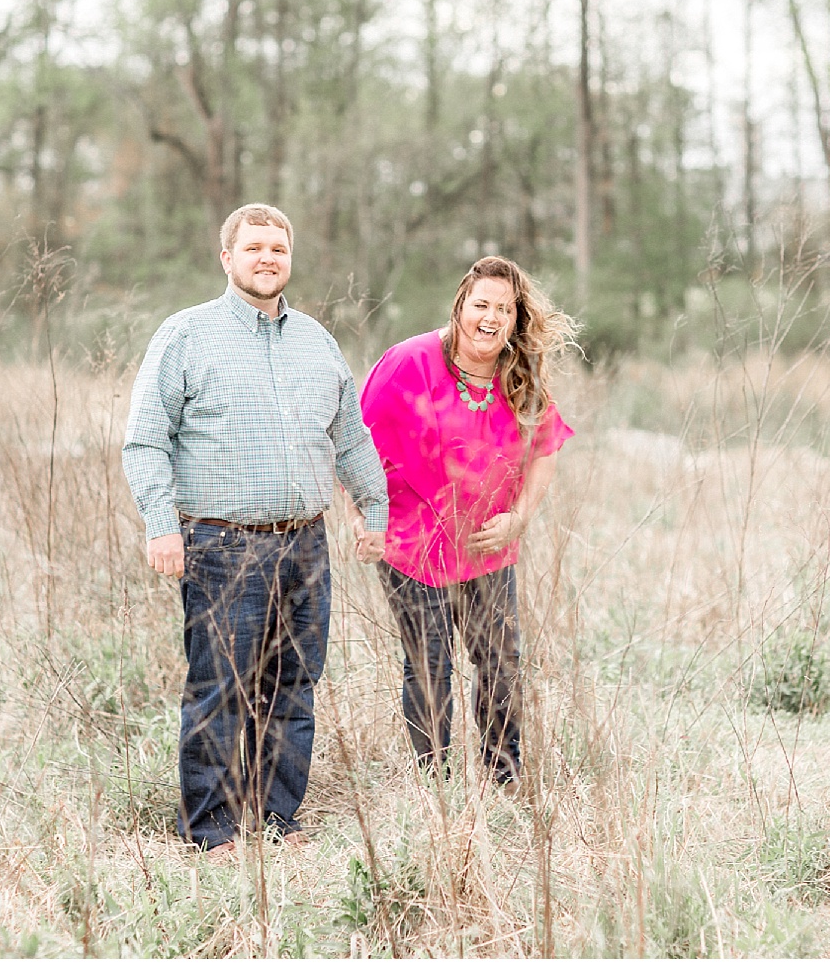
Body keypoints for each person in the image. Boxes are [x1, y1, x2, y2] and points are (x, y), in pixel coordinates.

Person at [122, 203, 388, 857]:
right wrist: (161, 524)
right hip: (219, 545)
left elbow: (350, 437)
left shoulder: (317, 342)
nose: (267, 257)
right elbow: (146, 439)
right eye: (254, 247)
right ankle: (211, 830)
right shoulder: (186, 335)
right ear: (227, 257)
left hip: (306, 542)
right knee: (220, 685)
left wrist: (372, 507)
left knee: (294, 682)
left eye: (278, 247)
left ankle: (277, 816)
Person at [358, 256, 575, 788]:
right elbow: (355, 442)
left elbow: (546, 447)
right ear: (460, 306)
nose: (491, 318)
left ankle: (505, 774)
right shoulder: (409, 362)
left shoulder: (518, 371)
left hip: (488, 546)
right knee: (429, 666)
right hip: (413, 545)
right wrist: (367, 519)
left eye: (504, 309)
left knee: (501, 664)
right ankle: (435, 783)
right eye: (481, 305)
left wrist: (518, 520)